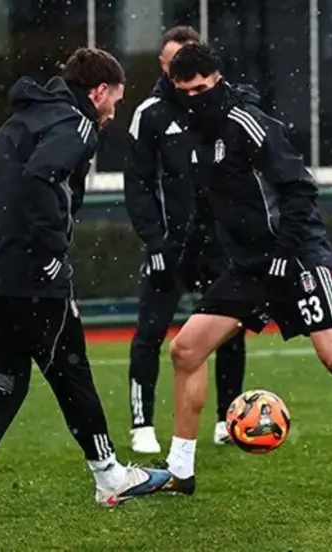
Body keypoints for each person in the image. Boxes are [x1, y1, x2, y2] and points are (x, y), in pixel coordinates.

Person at [155, 42, 332, 502]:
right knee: (185, 350)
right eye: (186, 92)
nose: (195, 99)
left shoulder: (247, 123)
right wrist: (189, 257)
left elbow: (300, 190)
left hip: (299, 257)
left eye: (202, 89)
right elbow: (206, 205)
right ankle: (180, 471)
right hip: (251, 266)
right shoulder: (194, 137)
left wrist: (284, 255)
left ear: (217, 81)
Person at [0, 48, 171, 551]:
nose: (113, 113)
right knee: (71, 371)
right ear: (98, 91)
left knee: (5, 386)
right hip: (26, 272)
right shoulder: (76, 123)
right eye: (114, 101)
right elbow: (40, 177)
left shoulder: (25, 117)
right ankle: (109, 475)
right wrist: (52, 251)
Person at [124, 25, 246, 454]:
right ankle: (142, 423)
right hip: (172, 244)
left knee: (230, 328)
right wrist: (154, 241)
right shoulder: (150, 114)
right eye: (175, 62)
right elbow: (138, 185)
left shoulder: (226, 107)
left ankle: (228, 417)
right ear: (164, 66)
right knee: (151, 331)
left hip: (219, 243)